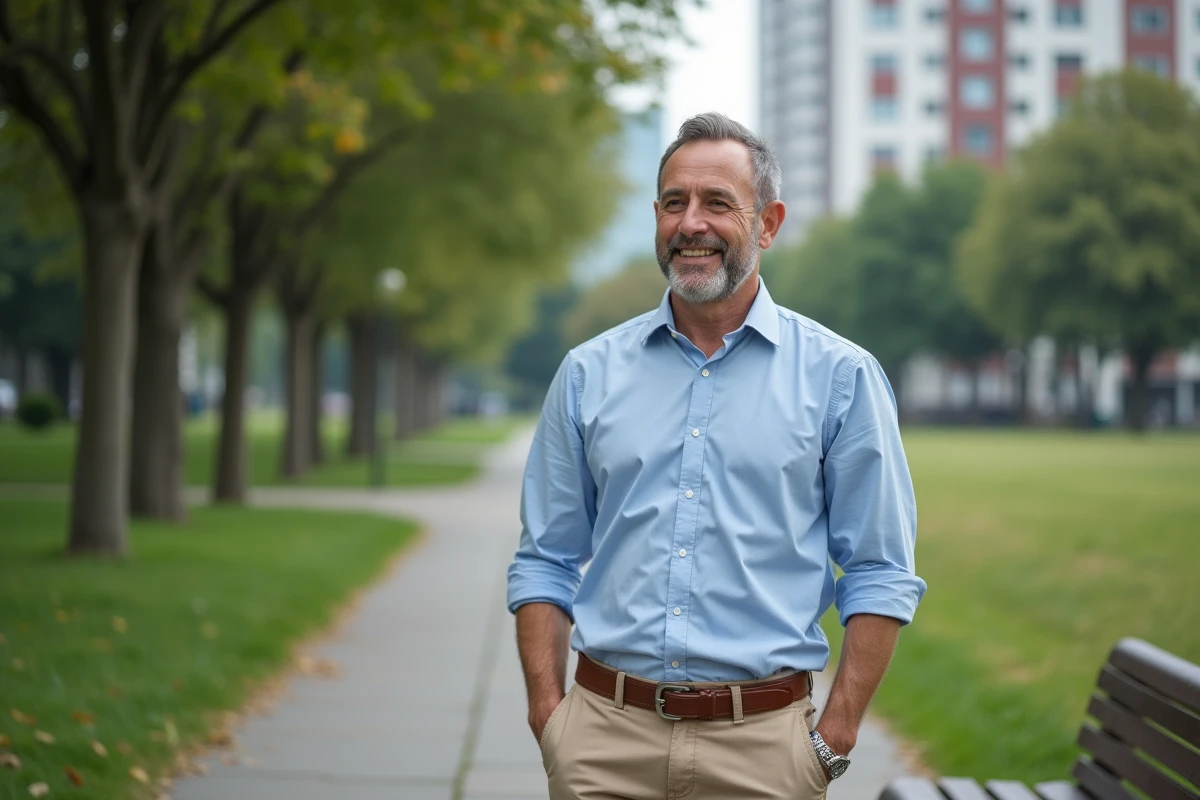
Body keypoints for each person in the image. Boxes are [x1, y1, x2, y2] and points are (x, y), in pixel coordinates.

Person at [506, 112, 926, 800]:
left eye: (717, 203)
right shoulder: (587, 373)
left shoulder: (841, 378)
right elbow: (545, 558)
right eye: (675, 203)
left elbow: (881, 570)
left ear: (768, 223)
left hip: (765, 754)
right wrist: (551, 718)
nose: (690, 223)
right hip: (601, 745)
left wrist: (833, 738)